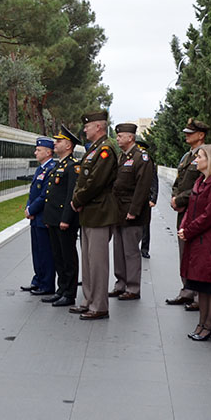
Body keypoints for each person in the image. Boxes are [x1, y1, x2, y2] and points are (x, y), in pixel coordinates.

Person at [69, 110, 120, 320]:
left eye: (87, 126)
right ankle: (88, 300)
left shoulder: (106, 150)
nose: (84, 130)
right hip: (90, 211)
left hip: (99, 211)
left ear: (98, 127)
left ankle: (99, 306)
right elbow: (83, 179)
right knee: (88, 261)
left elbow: (96, 182)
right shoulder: (94, 149)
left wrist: (77, 200)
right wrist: (78, 199)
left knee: (98, 262)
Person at [177, 144, 211, 340]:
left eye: (199, 157)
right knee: (200, 283)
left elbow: (210, 215)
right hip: (196, 239)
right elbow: (190, 209)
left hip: (208, 240)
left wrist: (189, 230)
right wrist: (184, 226)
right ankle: (201, 323)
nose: (196, 160)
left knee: (210, 284)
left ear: (210, 160)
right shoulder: (201, 181)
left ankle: (209, 324)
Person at [110, 123, 155, 300]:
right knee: (118, 251)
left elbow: (142, 187)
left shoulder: (141, 157)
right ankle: (120, 284)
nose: (117, 139)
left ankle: (133, 288)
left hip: (131, 212)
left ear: (130, 137)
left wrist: (134, 210)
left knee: (130, 252)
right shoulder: (122, 156)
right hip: (118, 211)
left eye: (120, 136)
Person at [166, 117, 208, 308]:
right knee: (184, 252)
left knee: (196, 253)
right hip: (183, 210)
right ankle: (187, 290)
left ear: (201, 135)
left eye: (190, 133)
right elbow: (179, 181)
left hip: (196, 210)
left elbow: (203, 185)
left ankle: (199, 295)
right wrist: (174, 198)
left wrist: (181, 199)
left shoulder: (206, 155)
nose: (186, 136)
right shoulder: (187, 156)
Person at [41, 125, 82, 307]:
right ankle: (61, 289)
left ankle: (69, 293)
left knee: (68, 257)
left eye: (59, 141)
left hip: (64, 221)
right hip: (54, 219)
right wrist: (49, 219)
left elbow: (71, 196)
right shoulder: (60, 164)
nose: (55, 143)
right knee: (58, 256)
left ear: (68, 145)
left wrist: (66, 219)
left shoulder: (73, 166)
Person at [19, 137, 58, 295]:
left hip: (43, 217)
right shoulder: (40, 169)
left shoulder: (51, 169)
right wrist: (28, 208)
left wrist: (32, 210)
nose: (35, 153)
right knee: (36, 251)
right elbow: (33, 192)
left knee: (46, 252)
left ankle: (47, 285)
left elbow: (44, 195)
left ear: (48, 152)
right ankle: (38, 280)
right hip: (35, 218)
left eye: (38, 150)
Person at [135, 139, 158, 259]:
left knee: (145, 225)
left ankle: (144, 248)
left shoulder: (148, 161)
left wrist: (153, 198)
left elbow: (154, 180)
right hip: (133, 198)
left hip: (145, 198)